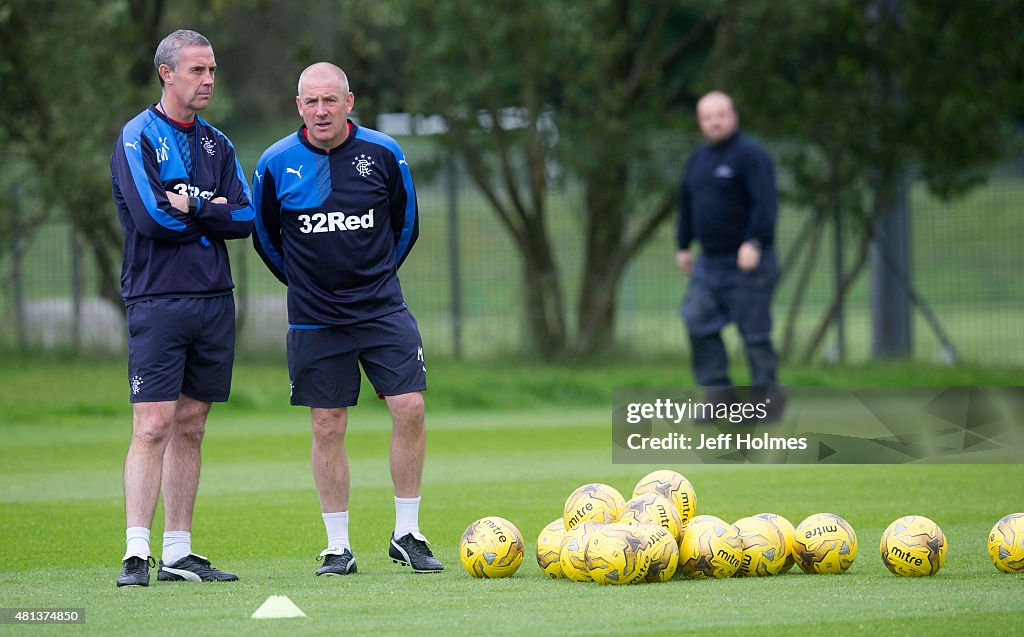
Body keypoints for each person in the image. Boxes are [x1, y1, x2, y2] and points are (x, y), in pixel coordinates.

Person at [252, 62, 441, 576]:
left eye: (330, 100)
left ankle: (408, 533)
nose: (321, 111)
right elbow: (266, 239)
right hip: (314, 319)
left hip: (381, 308)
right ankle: (337, 546)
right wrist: (308, 286)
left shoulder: (385, 153)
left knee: (410, 407)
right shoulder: (275, 163)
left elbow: (407, 225)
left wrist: (374, 279)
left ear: (349, 101)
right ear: (299, 106)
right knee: (327, 423)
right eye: (311, 102)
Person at [109, 29, 254, 587]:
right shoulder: (137, 136)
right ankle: (135, 552)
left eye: (212, 70)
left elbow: (244, 219)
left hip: (214, 299)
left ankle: (179, 550)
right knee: (153, 424)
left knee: (191, 423)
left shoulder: (218, 143)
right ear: (166, 73)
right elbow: (151, 219)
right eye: (197, 70)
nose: (209, 80)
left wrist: (194, 202)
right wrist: (210, 210)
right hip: (158, 299)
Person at [676, 91, 782, 413]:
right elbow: (686, 204)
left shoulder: (751, 155)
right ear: (700, 121)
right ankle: (719, 399)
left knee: (754, 334)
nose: (715, 122)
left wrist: (754, 242)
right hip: (709, 261)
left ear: (733, 116)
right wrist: (683, 245)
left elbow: (766, 203)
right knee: (696, 320)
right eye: (708, 117)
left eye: (720, 115)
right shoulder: (697, 160)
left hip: (747, 260)